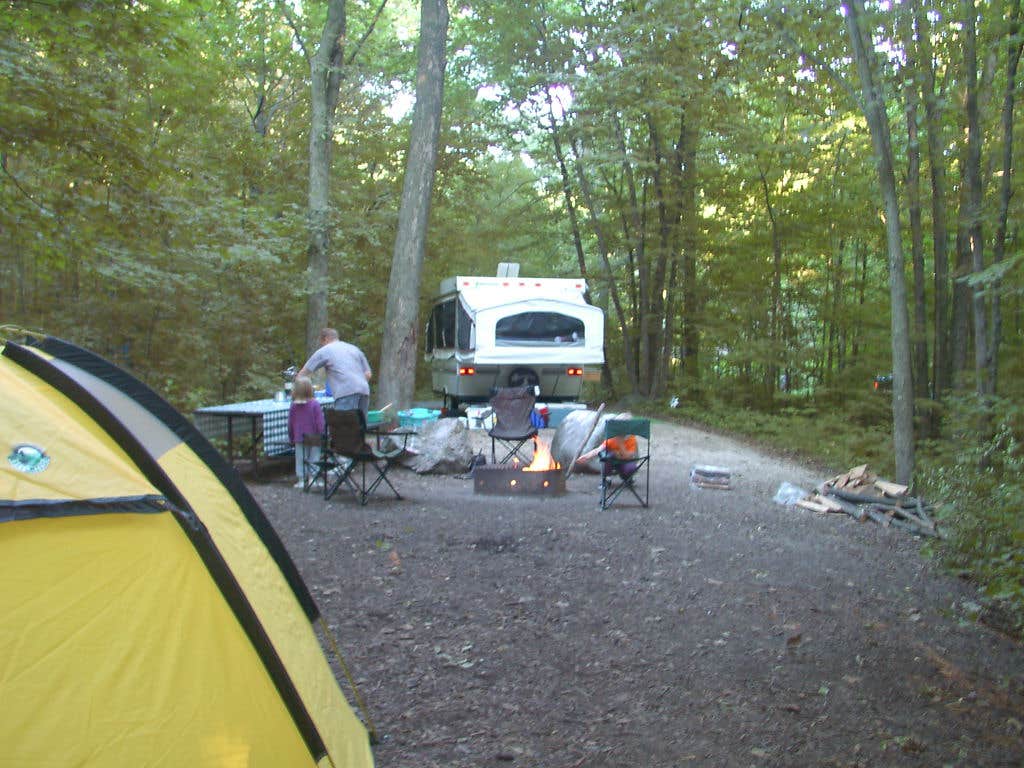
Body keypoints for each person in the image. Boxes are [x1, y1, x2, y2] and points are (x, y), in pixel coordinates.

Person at [297, 327, 372, 414]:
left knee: (343, 422)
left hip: (345, 393)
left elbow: (305, 372)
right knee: (361, 422)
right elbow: (368, 374)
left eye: (322, 343)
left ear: (325, 339)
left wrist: (297, 387)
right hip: (364, 391)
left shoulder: (325, 350)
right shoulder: (355, 349)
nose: (322, 345)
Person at [288, 376, 325, 489]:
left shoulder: (293, 405)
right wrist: (322, 434)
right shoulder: (315, 404)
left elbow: (290, 423)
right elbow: (320, 422)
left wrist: (291, 437)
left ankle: (301, 480)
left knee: (300, 459)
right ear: (310, 389)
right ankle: (312, 478)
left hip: (299, 437)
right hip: (314, 436)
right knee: (314, 458)